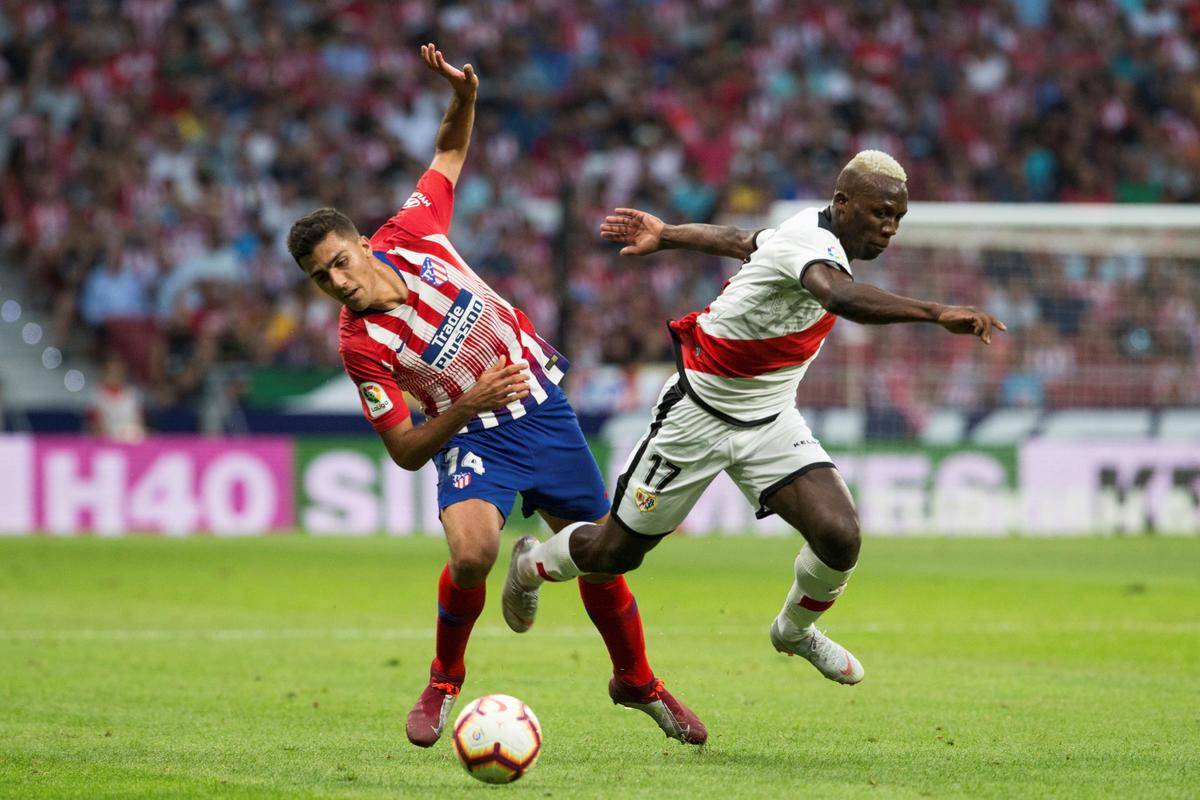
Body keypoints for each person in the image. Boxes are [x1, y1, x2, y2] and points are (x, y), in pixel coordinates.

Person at [285, 44, 704, 748]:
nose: (338, 282)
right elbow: (404, 451)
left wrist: (465, 96)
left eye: (340, 262)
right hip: (472, 433)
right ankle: (445, 680)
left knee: (605, 556)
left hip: (542, 408)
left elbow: (448, 151)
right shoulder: (359, 345)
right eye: (322, 279)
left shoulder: (413, 231)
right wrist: (466, 407)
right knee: (473, 552)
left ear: (363, 244)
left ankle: (636, 681)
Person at [504, 150, 1005, 690]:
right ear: (842, 202)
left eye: (898, 218)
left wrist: (669, 234)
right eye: (881, 213)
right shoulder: (811, 245)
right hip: (697, 416)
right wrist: (935, 312)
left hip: (770, 420)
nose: (890, 228)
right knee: (613, 554)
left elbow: (743, 240)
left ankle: (794, 631)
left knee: (839, 536)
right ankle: (531, 564)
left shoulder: (806, 235)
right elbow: (839, 297)